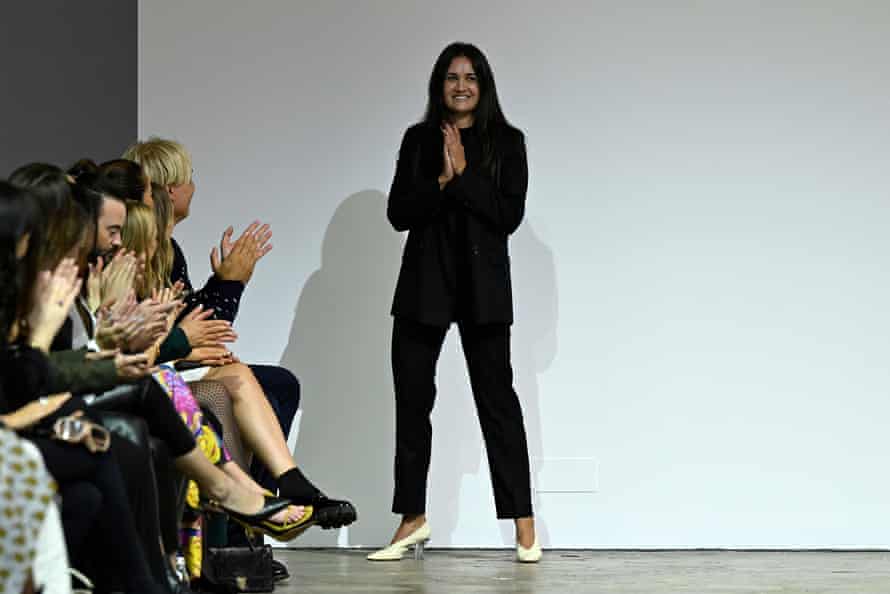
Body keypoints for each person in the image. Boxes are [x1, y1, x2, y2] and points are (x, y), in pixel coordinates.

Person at [369, 42, 541, 563]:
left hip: (483, 290)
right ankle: (412, 519)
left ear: (484, 86)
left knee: (499, 405)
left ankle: (525, 525)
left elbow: (506, 216)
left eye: (470, 77)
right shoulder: (418, 139)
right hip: (425, 285)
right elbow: (399, 212)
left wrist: (465, 173)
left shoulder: (508, 142)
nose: (460, 86)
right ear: (438, 86)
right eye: (451, 77)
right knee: (413, 403)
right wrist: (443, 181)